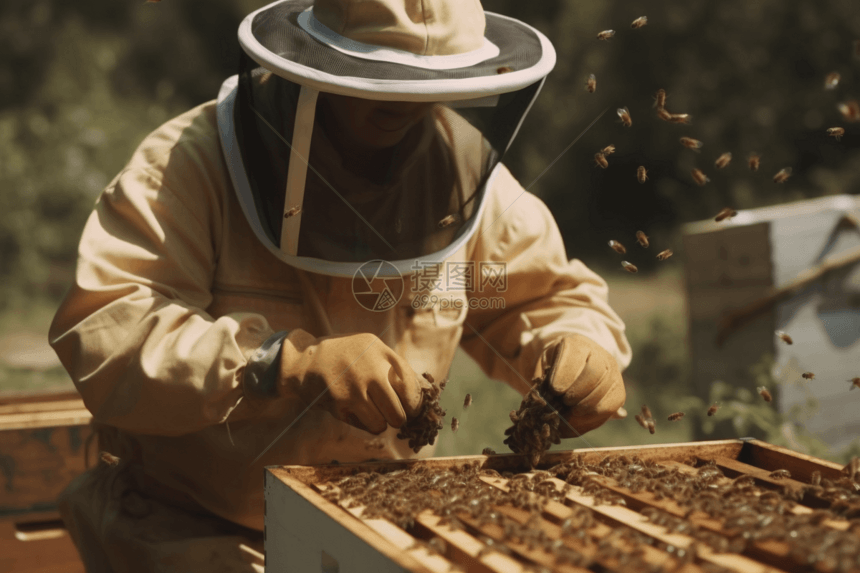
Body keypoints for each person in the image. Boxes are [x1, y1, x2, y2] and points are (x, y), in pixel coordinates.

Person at [49, 0, 632, 571]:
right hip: (194, 530)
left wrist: (584, 348)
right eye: (381, 80)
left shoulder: (464, 181)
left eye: (429, 86)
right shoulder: (189, 164)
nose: (405, 106)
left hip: (376, 527)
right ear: (317, 61)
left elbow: (543, 296)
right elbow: (108, 331)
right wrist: (281, 362)